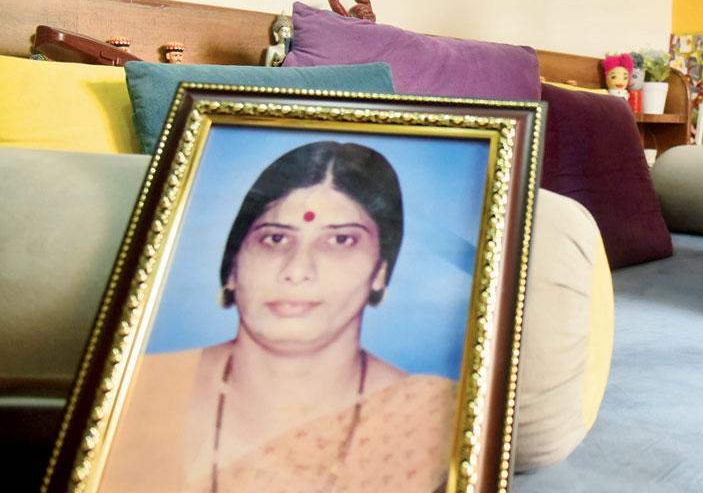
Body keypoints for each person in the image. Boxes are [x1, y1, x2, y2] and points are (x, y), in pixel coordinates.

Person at [101, 142, 456, 493]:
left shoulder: (429, 417)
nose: (298, 269)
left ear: (380, 271)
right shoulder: (137, 386)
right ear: (232, 268)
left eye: (341, 241)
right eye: (274, 239)